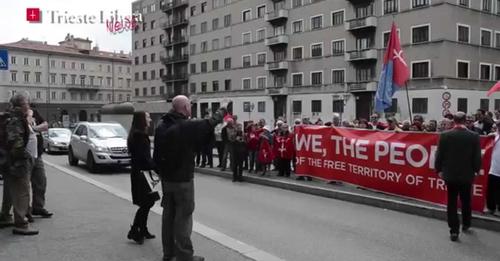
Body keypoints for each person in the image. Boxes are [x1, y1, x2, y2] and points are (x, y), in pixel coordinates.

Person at [154, 96, 228, 261]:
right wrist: (222, 108)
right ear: (185, 108)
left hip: (167, 179)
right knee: (183, 217)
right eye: (190, 106)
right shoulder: (185, 125)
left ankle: (169, 254)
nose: (191, 109)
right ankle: (185, 256)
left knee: (168, 217)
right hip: (182, 180)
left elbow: (157, 155)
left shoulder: (161, 125)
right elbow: (210, 123)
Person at [435, 112, 481, 242]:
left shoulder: (445, 135)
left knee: (452, 202)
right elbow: (477, 156)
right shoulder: (474, 136)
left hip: (450, 174)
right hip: (467, 174)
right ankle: (466, 223)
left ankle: (454, 230)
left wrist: (438, 169)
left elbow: (439, 155)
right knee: (466, 199)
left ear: (454, 121)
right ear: (465, 120)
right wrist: (476, 170)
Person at [5, 94, 38, 235]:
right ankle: (21, 224)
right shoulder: (16, 119)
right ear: (20, 105)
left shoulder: (15, 117)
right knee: (22, 193)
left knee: (16, 191)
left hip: (12, 161)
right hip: (18, 163)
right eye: (26, 103)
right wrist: (26, 156)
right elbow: (15, 143)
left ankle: (13, 218)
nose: (28, 106)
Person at [127, 111, 158, 244]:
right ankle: (134, 230)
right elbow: (144, 158)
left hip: (139, 173)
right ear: (141, 120)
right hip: (142, 174)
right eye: (147, 117)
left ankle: (142, 229)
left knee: (147, 203)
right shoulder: (140, 136)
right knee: (146, 203)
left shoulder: (136, 135)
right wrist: (157, 167)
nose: (150, 119)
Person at [29, 108, 53, 219]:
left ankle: (38, 207)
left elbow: (45, 125)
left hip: (38, 154)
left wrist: (33, 128)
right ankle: (24, 212)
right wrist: (37, 129)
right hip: (26, 155)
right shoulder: (20, 114)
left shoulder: (34, 112)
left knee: (41, 181)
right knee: (24, 187)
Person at [487, 120, 500, 215]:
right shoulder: (496, 135)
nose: (498, 127)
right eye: (498, 125)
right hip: (494, 168)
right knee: (491, 189)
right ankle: (491, 208)